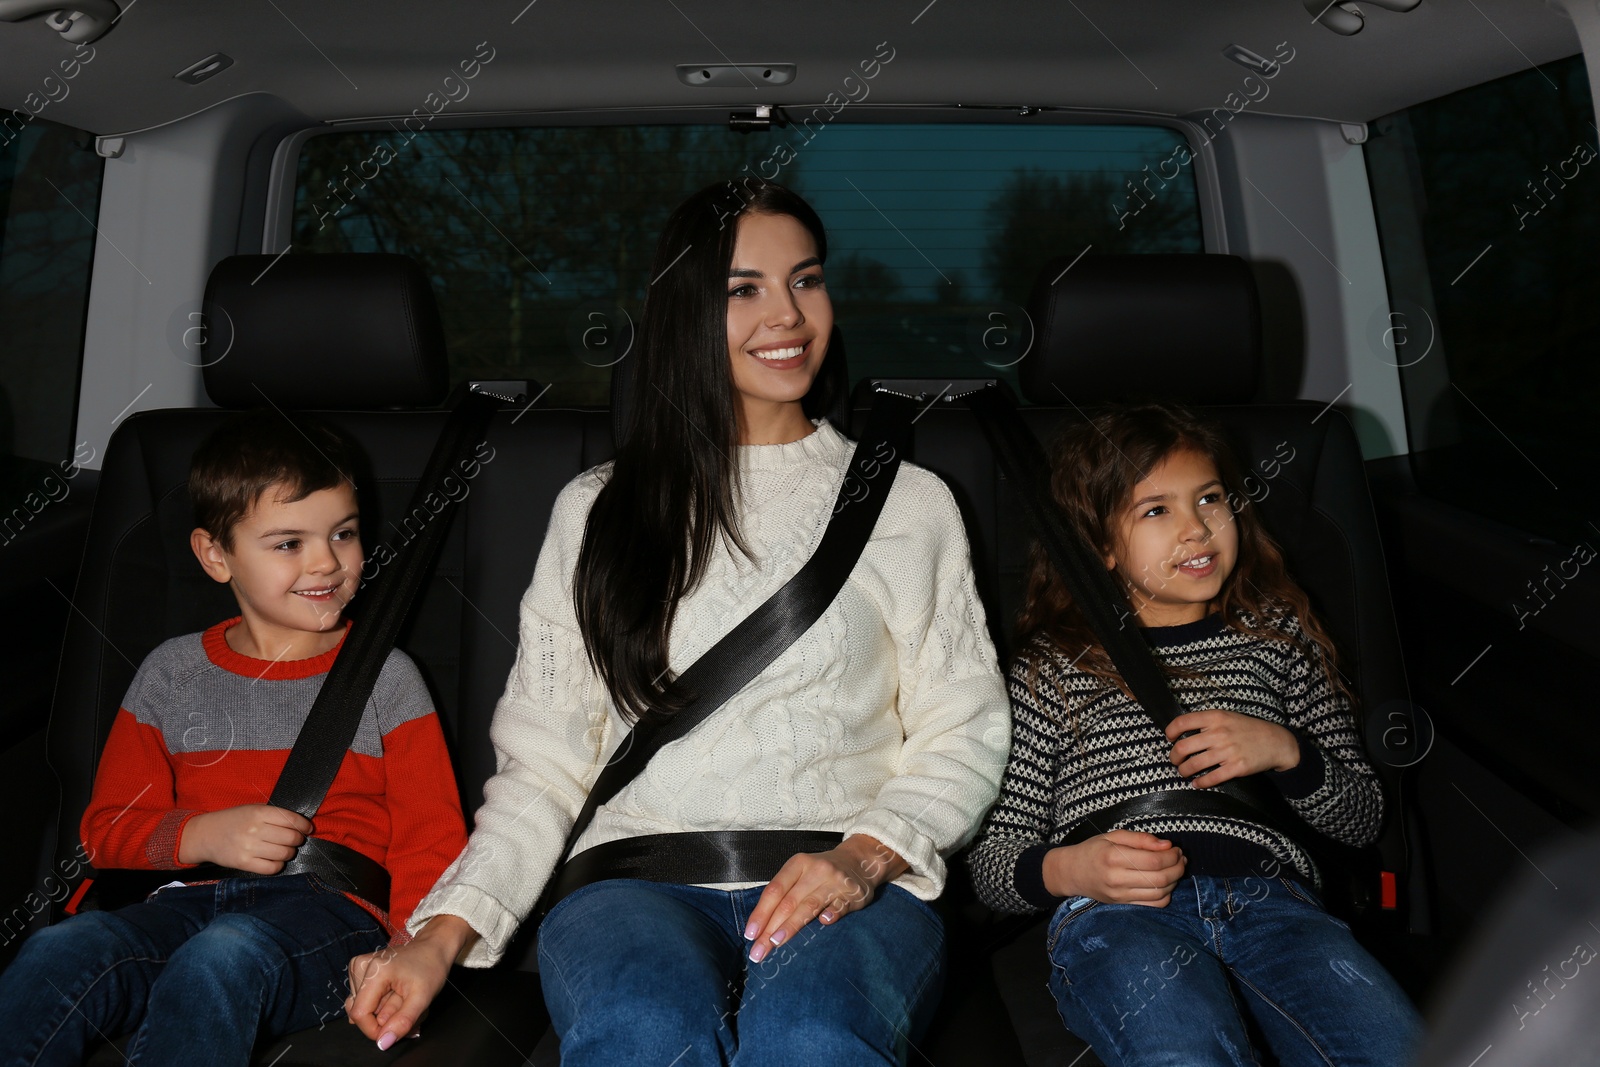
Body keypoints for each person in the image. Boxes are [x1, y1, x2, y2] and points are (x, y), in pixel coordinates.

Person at [344, 179, 1010, 1065]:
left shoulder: (909, 502)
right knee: (643, 1034)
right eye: (744, 290)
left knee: (811, 1038)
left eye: (806, 280)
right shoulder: (596, 511)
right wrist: (439, 933)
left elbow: (964, 726)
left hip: (850, 877)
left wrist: (866, 854)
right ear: (685, 316)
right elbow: (543, 768)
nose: (788, 315)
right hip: (634, 882)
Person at [0, 410, 468, 1066]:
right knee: (56, 951)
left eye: (345, 532)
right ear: (216, 555)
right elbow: (106, 829)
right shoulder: (171, 671)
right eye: (288, 543)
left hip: (327, 917)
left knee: (222, 956)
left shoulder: (387, 677)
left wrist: (405, 950)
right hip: (183, 901)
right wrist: (202, 835)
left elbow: (433, 840)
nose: (327, 562)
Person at [966, 402, 1421, 1066]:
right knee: (1184, 1053)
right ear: (1102, 548)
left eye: (1210, 498)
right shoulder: (1052, 669)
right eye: (1157, 510)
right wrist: (1072, 867)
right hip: (1119, 912)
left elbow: (1360, 817)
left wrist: (1286, 751)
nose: (1197, 528)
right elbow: (991, 863)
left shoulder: (1277, 640)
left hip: (1277, 902)